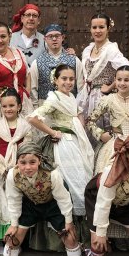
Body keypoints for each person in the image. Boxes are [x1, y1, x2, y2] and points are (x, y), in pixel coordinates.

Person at [0, 142, 88, 256]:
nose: (27, 167)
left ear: (39, 161)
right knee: (14, 238)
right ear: (17, 162)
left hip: (53, 205)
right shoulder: (12, 175)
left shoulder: (52, 174)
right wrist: (14, 224)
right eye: (23, 162)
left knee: (69, 237)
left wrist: (68, 222)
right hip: (30, 205)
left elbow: (63, 199)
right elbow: (13, 199)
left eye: (32, 162)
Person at [28, 64, 95, 242]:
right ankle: (62, 236)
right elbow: (33, 118)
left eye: (71, 79)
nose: (68, 82)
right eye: (63, 78)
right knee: (66, 184)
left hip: (75, 143)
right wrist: (52, 132)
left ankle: (80, 236)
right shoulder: (54, 98)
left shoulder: (71, 96)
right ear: (55, 80)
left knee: (81, 181)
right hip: (63, 146)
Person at [87, 65, 129, 174]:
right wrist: (101, 134)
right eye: (119, 79)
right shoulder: (107, 100)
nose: (122, 83)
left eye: (126, 80)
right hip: (115, 143)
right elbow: (90, 121)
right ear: (115, 80)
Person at [0, 88, 32, 247]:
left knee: (18, 202)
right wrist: (3, 169)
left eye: (12, 105)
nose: (8, 109)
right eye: (5, 106)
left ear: (19, 106)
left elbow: (28, 149)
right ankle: (3, 240)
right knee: (2, 202)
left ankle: (19, 239)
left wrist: (19, 167)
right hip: (1, 170)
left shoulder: (25, 126)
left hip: (19, 170)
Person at [78, 13, 129, 123]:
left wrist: (111, 87)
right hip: (86, 96)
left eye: (101, 27)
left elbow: (127, 70)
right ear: (90, 29)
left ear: (108, 29)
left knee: (102, 132)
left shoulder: (111, 50)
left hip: (103, 98)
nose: (97, 31)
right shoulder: (88, 49)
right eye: (94, 27)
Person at [28, 23, 82, 106]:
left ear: (62, 38)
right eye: (50, 36)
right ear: (45, 39)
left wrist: (77, 107)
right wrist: (36, 109)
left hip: (69, 105)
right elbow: (33, 89)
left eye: (57, 36)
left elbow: (80, 86)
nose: (54, 39)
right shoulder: (37, 63)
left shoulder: (74, 60)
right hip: (45, 106)